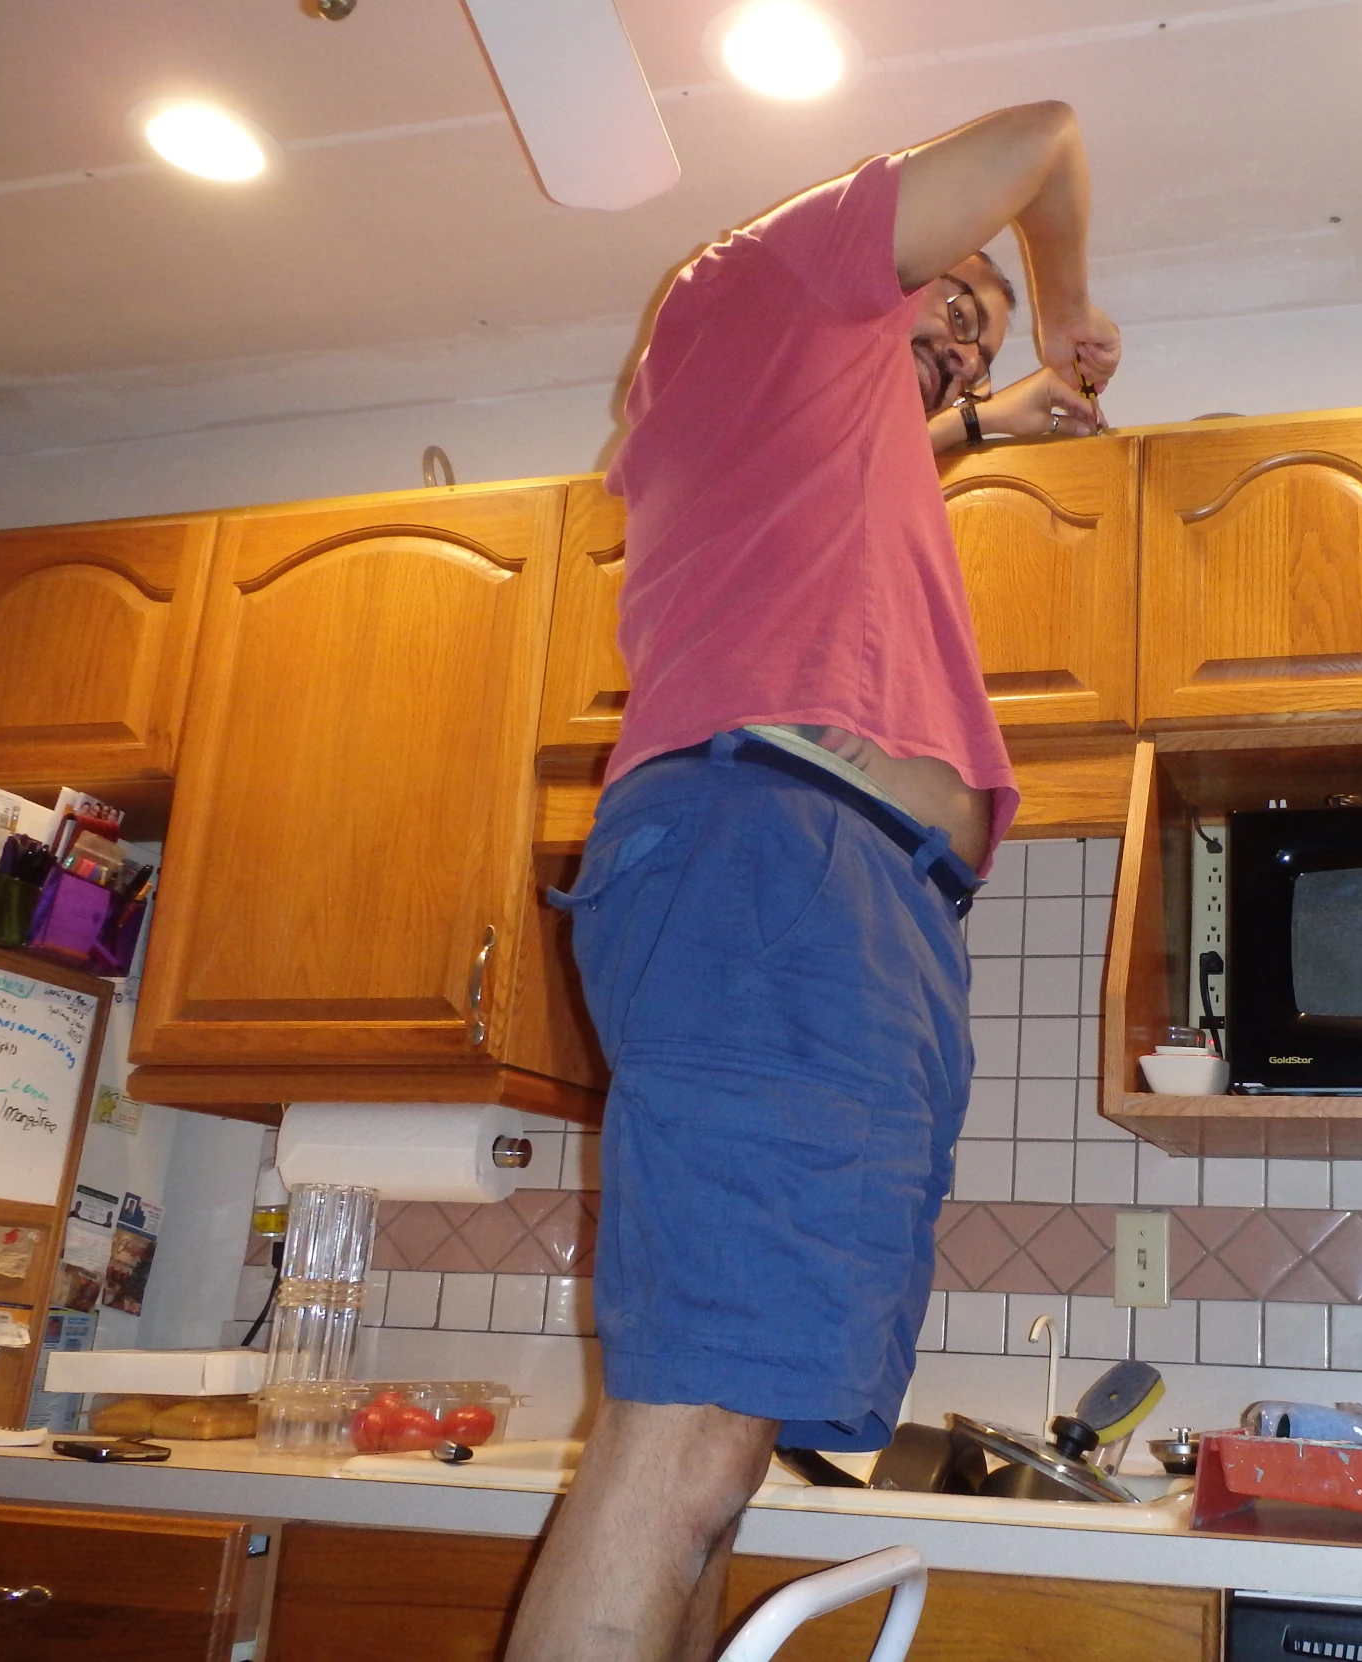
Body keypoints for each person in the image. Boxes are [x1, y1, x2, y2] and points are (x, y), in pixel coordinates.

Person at [504, 102, 1120, 1662]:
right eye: (953, 304)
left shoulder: (789, 429)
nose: (972, 345)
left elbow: (870, 452)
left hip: (846, 891)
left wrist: (995, 422)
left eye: (980, 341)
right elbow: (1046, 136)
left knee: (727, 1447)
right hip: (781, 860)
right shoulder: (756, 283)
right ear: (871, 268)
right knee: (696, 1428)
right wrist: (1061, 298)